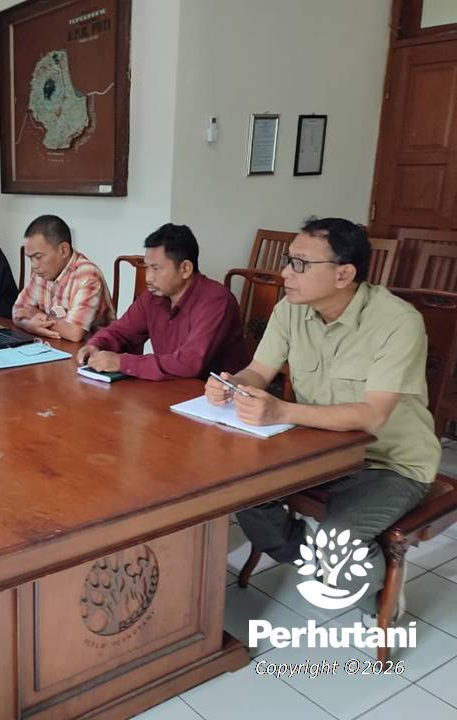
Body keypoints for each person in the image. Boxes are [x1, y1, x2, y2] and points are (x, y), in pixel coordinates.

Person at [206, 217, 441, 624]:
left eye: (300, 264)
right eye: (288, 260)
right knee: (240, 489)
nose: (285, 273)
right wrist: (232, 385)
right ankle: (313, 555)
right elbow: (258, 371)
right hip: (318, 448)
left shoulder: (398, 322)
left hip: (390, 462)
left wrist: (281, 411)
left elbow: (373, 416)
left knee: (339, 539)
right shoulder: (290, 310)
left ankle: (377, 596)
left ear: (343, 274)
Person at [77, 223, 248, 379]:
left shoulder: (216, 300)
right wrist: (95, 345)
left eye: (156, 268)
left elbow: (189, 362)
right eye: (147, 267)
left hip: (213, 395)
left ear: (185, 269)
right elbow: (121, 332)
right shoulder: (153, 297)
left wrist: (122, 362)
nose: (148, 278)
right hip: (170, 389)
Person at [12, 214, 114, 341]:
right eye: (30, 258)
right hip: (56, 344)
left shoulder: (87, 275)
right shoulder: (41, 272)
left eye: (38, 257)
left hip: (92, 349)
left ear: (64, 250)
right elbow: (18, 310)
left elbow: (74, 332)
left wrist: (38, 315)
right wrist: (29, 325)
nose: (34, 265)